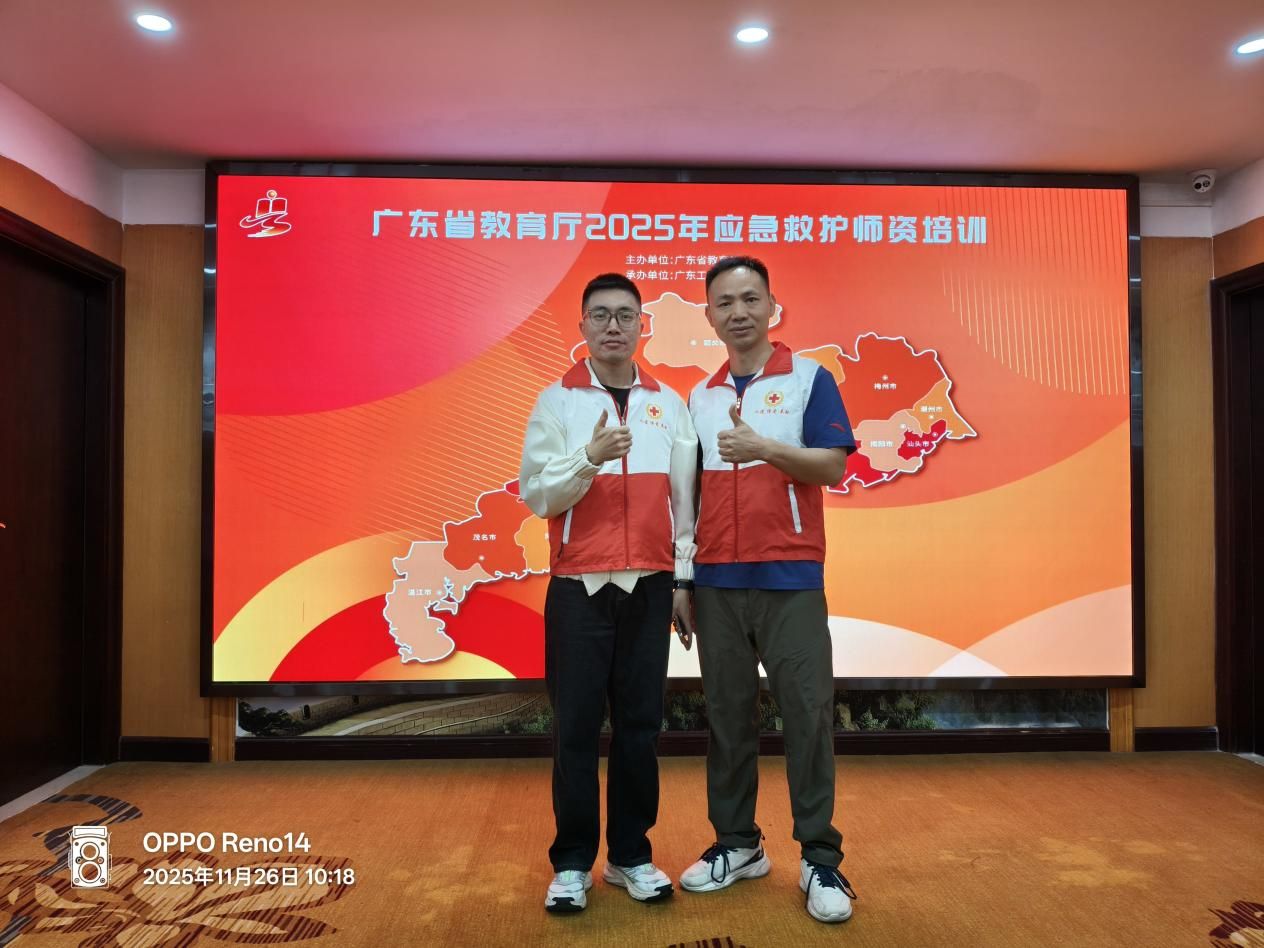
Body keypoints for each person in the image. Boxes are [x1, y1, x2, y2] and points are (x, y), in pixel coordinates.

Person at [679, 256, 859, 923]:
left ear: (771, 305)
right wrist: (684, 577)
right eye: (725, 302)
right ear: (709, 316)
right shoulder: (699, 397)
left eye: (750, 299)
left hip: (790, 579)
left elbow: (833, 466)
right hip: (717, 583)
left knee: (807, 716)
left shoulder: (810, 379)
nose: (739, 312)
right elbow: (687, 496)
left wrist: (764, 448)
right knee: (728, 719)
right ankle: (738, 843)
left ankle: (820, 857)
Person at [519, 273, 698, 913]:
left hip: (650, 584)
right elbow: (538, 496)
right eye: (601, 315)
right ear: (583, 327)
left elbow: (685, 503)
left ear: (642, 325)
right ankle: (572, 863)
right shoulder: (556, 402)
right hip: (579, 587)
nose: (614, 326)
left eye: (625, 314)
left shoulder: (669, 403)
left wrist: (683, 579)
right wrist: (589, 456)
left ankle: (630, 855)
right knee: (573, 729)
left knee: (640, 727)